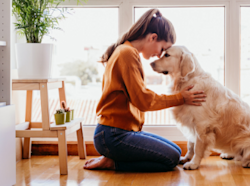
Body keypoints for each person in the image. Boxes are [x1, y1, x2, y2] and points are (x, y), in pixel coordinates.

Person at [83, 9, 206, 172]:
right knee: (171, 159)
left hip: (119, 132)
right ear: (153, 37)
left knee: (176, 152)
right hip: (113, 135)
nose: (159, 55)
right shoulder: (126, 54)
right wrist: (181, 98)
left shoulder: (127, 51)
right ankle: (113, 162)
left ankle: (113, 156)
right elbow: (143, 101)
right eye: (162, 49)